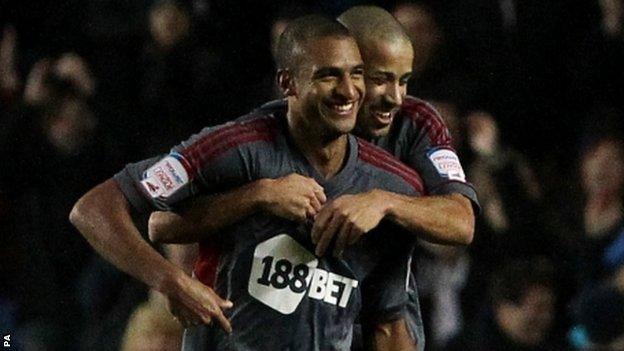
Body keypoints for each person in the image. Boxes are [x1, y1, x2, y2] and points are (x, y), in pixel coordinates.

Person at [71, 15, 420, 350]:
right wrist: (170, 282)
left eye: (356, 74)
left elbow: (387, 323)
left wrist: (387, 204)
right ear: (288, 83)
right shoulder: (235, 149)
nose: (348, 90)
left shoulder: (389, 185)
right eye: (328, 76)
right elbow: (93, 209)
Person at [150, 5, 478, 350]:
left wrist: (383, 202)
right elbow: (160, 221)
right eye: (378, 78)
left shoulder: (416, 123)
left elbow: (461, 222)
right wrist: (257, 195)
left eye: (404, 80)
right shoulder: (266, 131)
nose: (394, 98)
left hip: (362, 297)